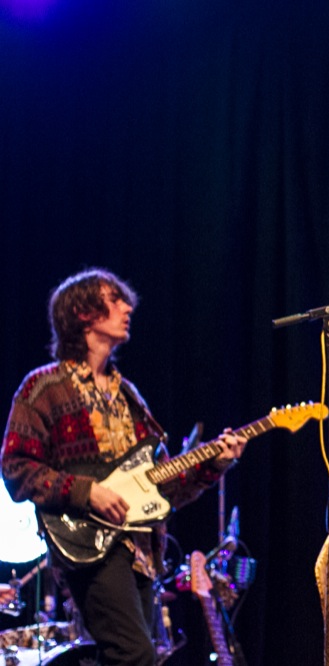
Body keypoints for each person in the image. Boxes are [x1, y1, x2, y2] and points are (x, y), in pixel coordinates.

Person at [1, 268, 247, 666]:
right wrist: (87, 492)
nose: (127, 307)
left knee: (120, 657)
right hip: (87, 545)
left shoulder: (129, 396)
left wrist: (214, 463)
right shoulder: (43, 388)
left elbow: (164, 484)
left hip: (141, 548)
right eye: (113, 300)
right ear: (83, 312)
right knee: (134, 656)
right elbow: (15, 468)